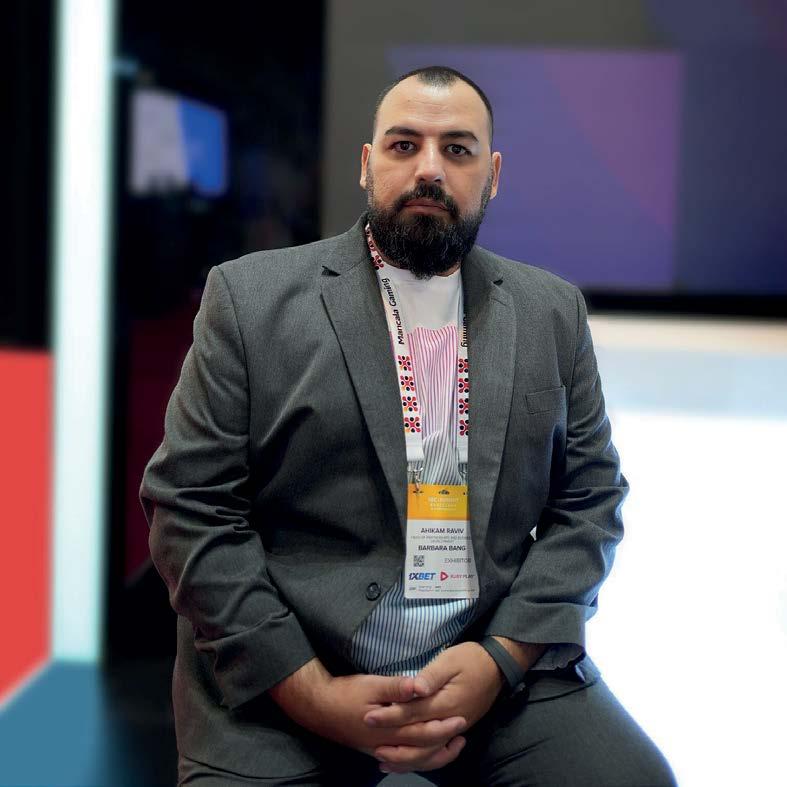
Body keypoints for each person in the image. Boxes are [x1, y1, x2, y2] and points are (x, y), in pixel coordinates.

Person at [140, 66, 677, 786]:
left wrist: (501, 658)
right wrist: (313, 694)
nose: (429, 168)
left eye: (457, 149)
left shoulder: (551, 311)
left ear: (492, 176)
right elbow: (190, 508)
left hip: (489, 662)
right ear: (367, 165)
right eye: (404, 145)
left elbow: (590, 502)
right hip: (291, 672)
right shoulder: (250, 299)